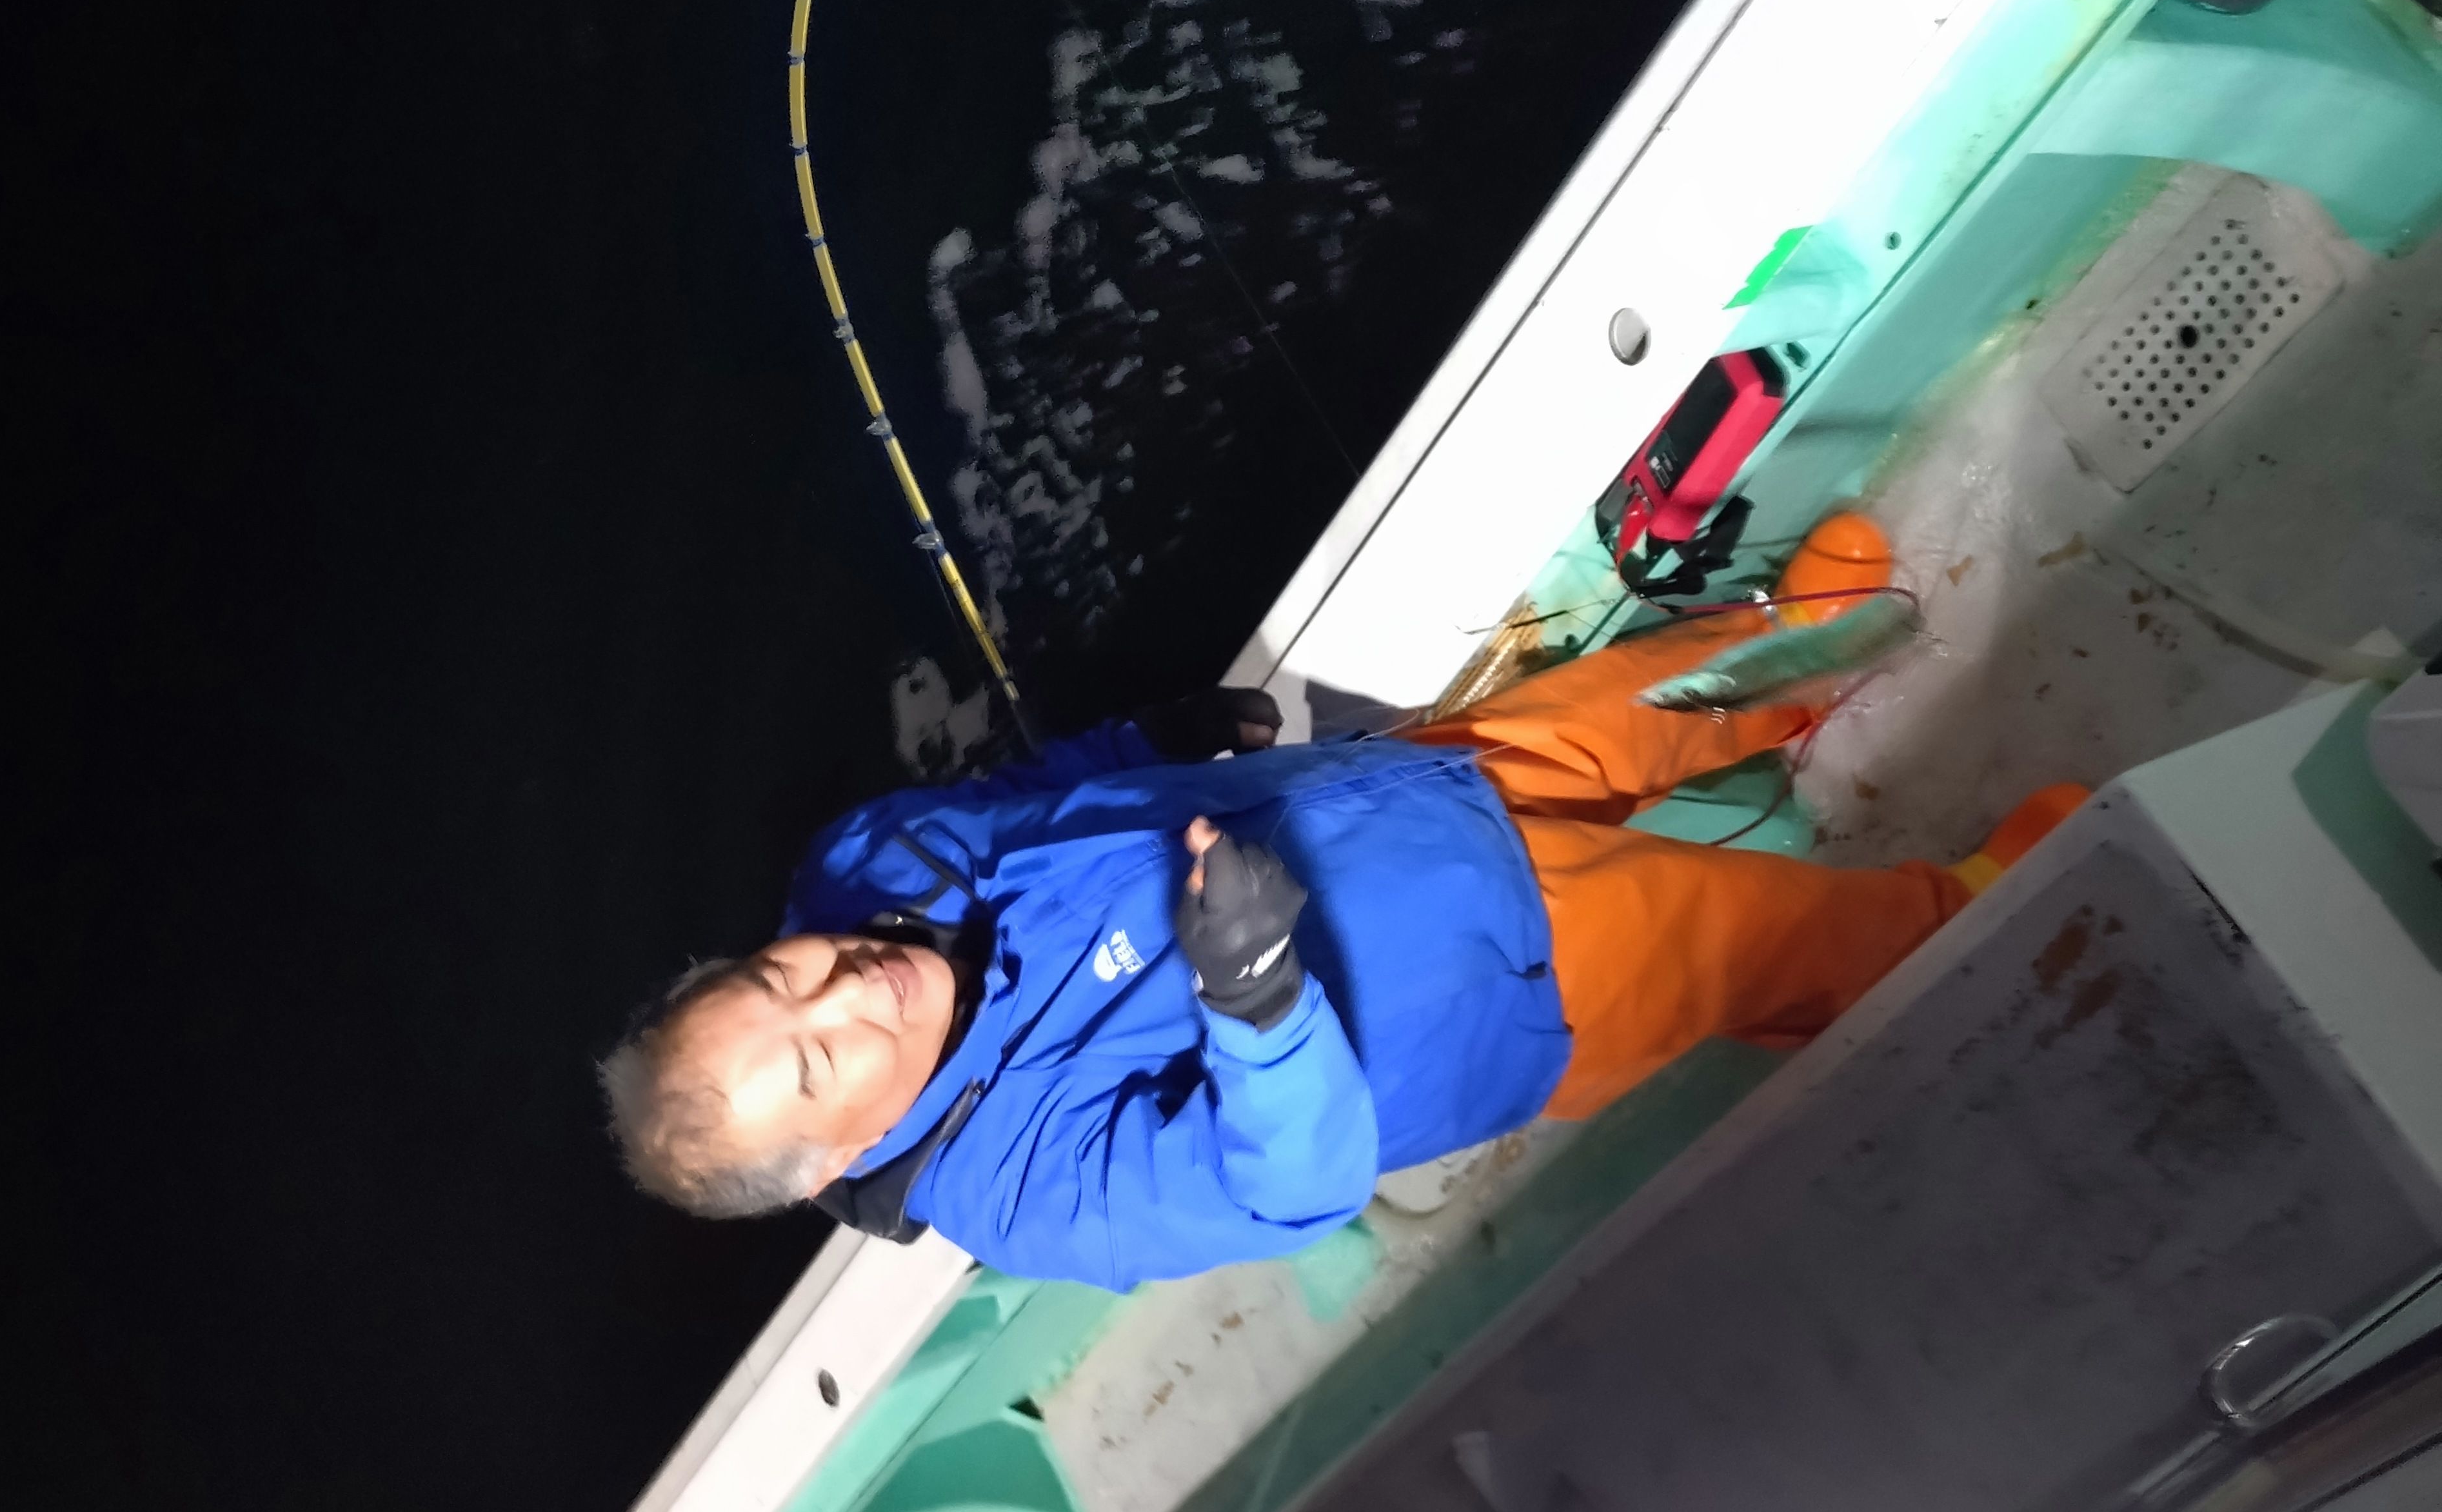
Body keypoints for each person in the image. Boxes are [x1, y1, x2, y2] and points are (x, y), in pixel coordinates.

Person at [599, 517, 2083, 1289]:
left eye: (779, 977)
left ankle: (1806, 651)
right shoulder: (1029, 1195)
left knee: (1629, 705)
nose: (846, 986)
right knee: (1775, 940)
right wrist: (1252, 1002)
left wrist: (1149, 738)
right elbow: (1287, 1187)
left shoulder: (855, 864)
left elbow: (1027, 796)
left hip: (1393, 795)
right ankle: (1976, 914)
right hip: (1502, 975)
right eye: (819, 1058)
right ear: (834, 1157)